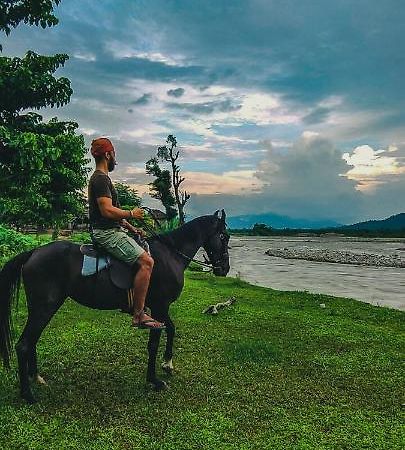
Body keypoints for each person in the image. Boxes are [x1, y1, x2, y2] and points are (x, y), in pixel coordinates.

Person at [88, 137, 165, 330]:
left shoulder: (102, 178)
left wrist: (132, 228)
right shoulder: (100, 179)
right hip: (106, 234)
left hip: (111, 229)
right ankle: (139, 314)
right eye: (114, 154)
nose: (115, 158)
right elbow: (106, 211)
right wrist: (132, 213)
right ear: (107, 154)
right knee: (147, 262)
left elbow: (112, 214)